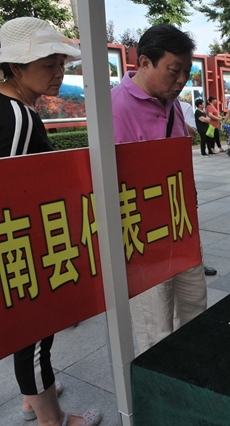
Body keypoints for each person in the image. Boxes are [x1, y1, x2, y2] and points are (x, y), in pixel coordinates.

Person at [0, 16, 102, 426]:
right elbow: (17, 194)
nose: (59, 73)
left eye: (60, 62)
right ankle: (54, 420)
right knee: (36, 334)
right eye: (47, 64)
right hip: (23, 246)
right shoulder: (19, 119)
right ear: (14, 68)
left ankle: (32, 397)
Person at [111, 24, 210, 353]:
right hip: (143, 236)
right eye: (174, 71)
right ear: (143, 63)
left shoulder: (173, 104)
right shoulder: (115, 106)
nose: (182, 81)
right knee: (156, 327)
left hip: (182, 227)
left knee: (196, 310)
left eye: (186, 71)